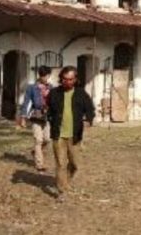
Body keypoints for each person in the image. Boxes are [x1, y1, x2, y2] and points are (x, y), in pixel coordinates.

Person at [46, 65, 95, 195]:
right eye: (65, 79)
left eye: (70, 79)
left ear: (75, 80)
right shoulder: (54, 93)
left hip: (75, 135)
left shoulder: (81, 93)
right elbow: (49, 109)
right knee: (61, 164)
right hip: (58, 134)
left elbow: (90, 109)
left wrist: (88, 119)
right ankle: (61, 190)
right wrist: (49, 118)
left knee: (74, 164)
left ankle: (66, 182)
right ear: (61, 78)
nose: (67, 82)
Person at [18, 65, 52, 171]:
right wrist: (23, 118)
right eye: (42, 76)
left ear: (49, 75)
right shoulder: (32, 88)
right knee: (38, 140)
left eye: (46, 76)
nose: (44, 78)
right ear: (39, 75)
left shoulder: (52, 88)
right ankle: (39, 164)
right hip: (35, 116)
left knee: (47, 139)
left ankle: (35, 152)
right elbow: (26, 102)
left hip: (48, 117)